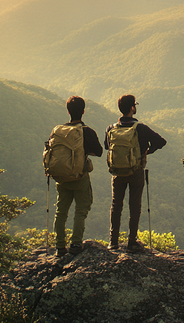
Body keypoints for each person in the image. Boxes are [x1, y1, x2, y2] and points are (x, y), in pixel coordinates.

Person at [105, 94, 166, 253]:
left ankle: (113, 242)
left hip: (117, 172)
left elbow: (107, 146)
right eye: (135, 105)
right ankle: (132, 241)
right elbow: (161, 141)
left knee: (116, 205)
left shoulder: (111, 128)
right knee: (134, 205)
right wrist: (147, 151)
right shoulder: (140, 128)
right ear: (132, 108)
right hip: (136, 170)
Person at [52, 96, 103, 257]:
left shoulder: (58, 130)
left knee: (61, 211)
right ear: (83, 111)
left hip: (61, 177)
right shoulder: (86, 131)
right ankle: (75, 244)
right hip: (79, 177)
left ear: (68, 111)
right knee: (80, 210)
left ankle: (60, 246)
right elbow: (99, 152)